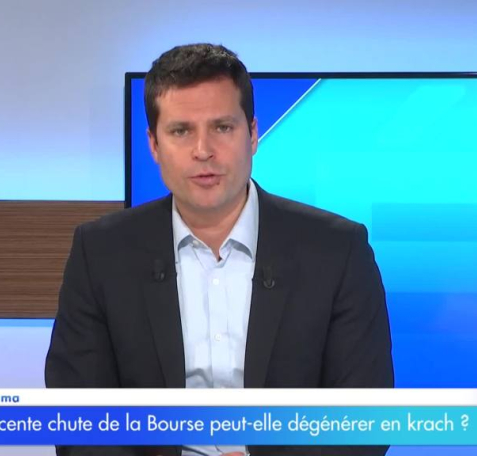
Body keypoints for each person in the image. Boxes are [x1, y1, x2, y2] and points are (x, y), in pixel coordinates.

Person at [45, 43, 393, 456]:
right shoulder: (101, 253)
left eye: (222, 128)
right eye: (181, 131)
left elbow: (362, 423)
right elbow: (79, 421)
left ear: (253, 134)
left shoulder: (337, 250)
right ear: (153, 145)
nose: (203, 150)